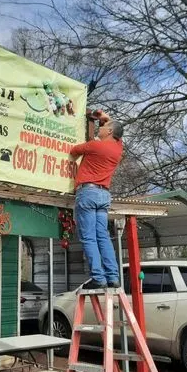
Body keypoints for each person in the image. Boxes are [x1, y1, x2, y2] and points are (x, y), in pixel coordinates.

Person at [70, 113, 124, 289]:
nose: (100, 128)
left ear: (109, 131)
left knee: (88, 238)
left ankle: (98, 278)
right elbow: (114, 128)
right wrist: (105, 117)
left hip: (88, 193)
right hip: (104, 195)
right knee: (103, 237)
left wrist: (103, 117)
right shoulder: (118, 148)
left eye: (103, 127)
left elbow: (73, 151)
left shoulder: (95, 146)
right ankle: (113, 277)